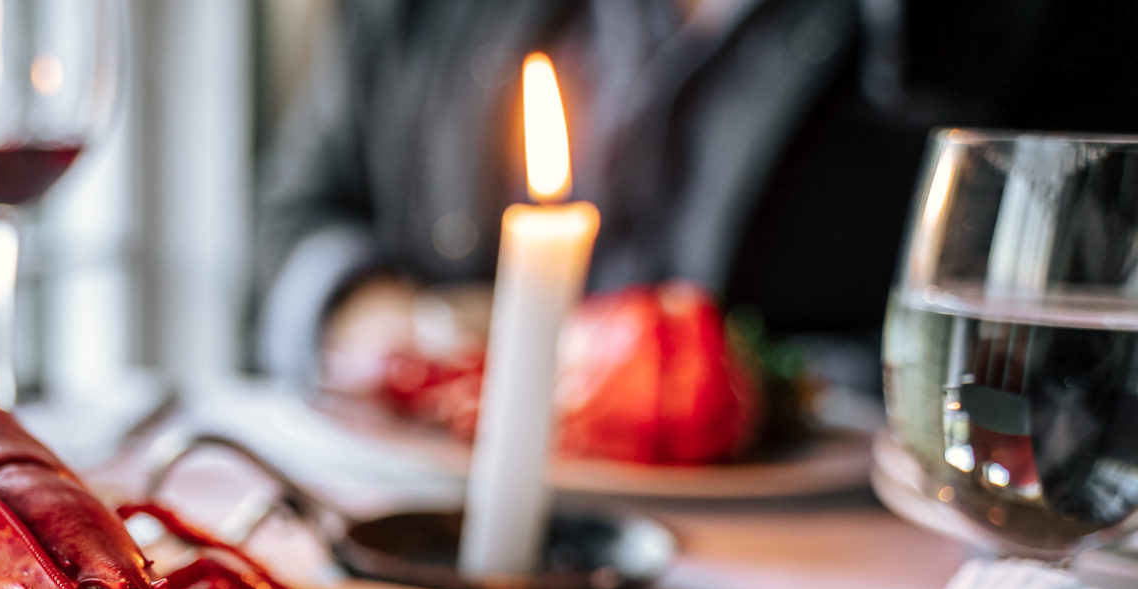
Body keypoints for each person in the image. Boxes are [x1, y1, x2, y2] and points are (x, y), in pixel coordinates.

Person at [256, 0, 1138, 392]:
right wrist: (412, 330)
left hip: (831, 583)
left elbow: (1069, 354)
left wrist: (759, 393)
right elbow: (299, 214)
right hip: (423, 518)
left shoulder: (1042, 29)